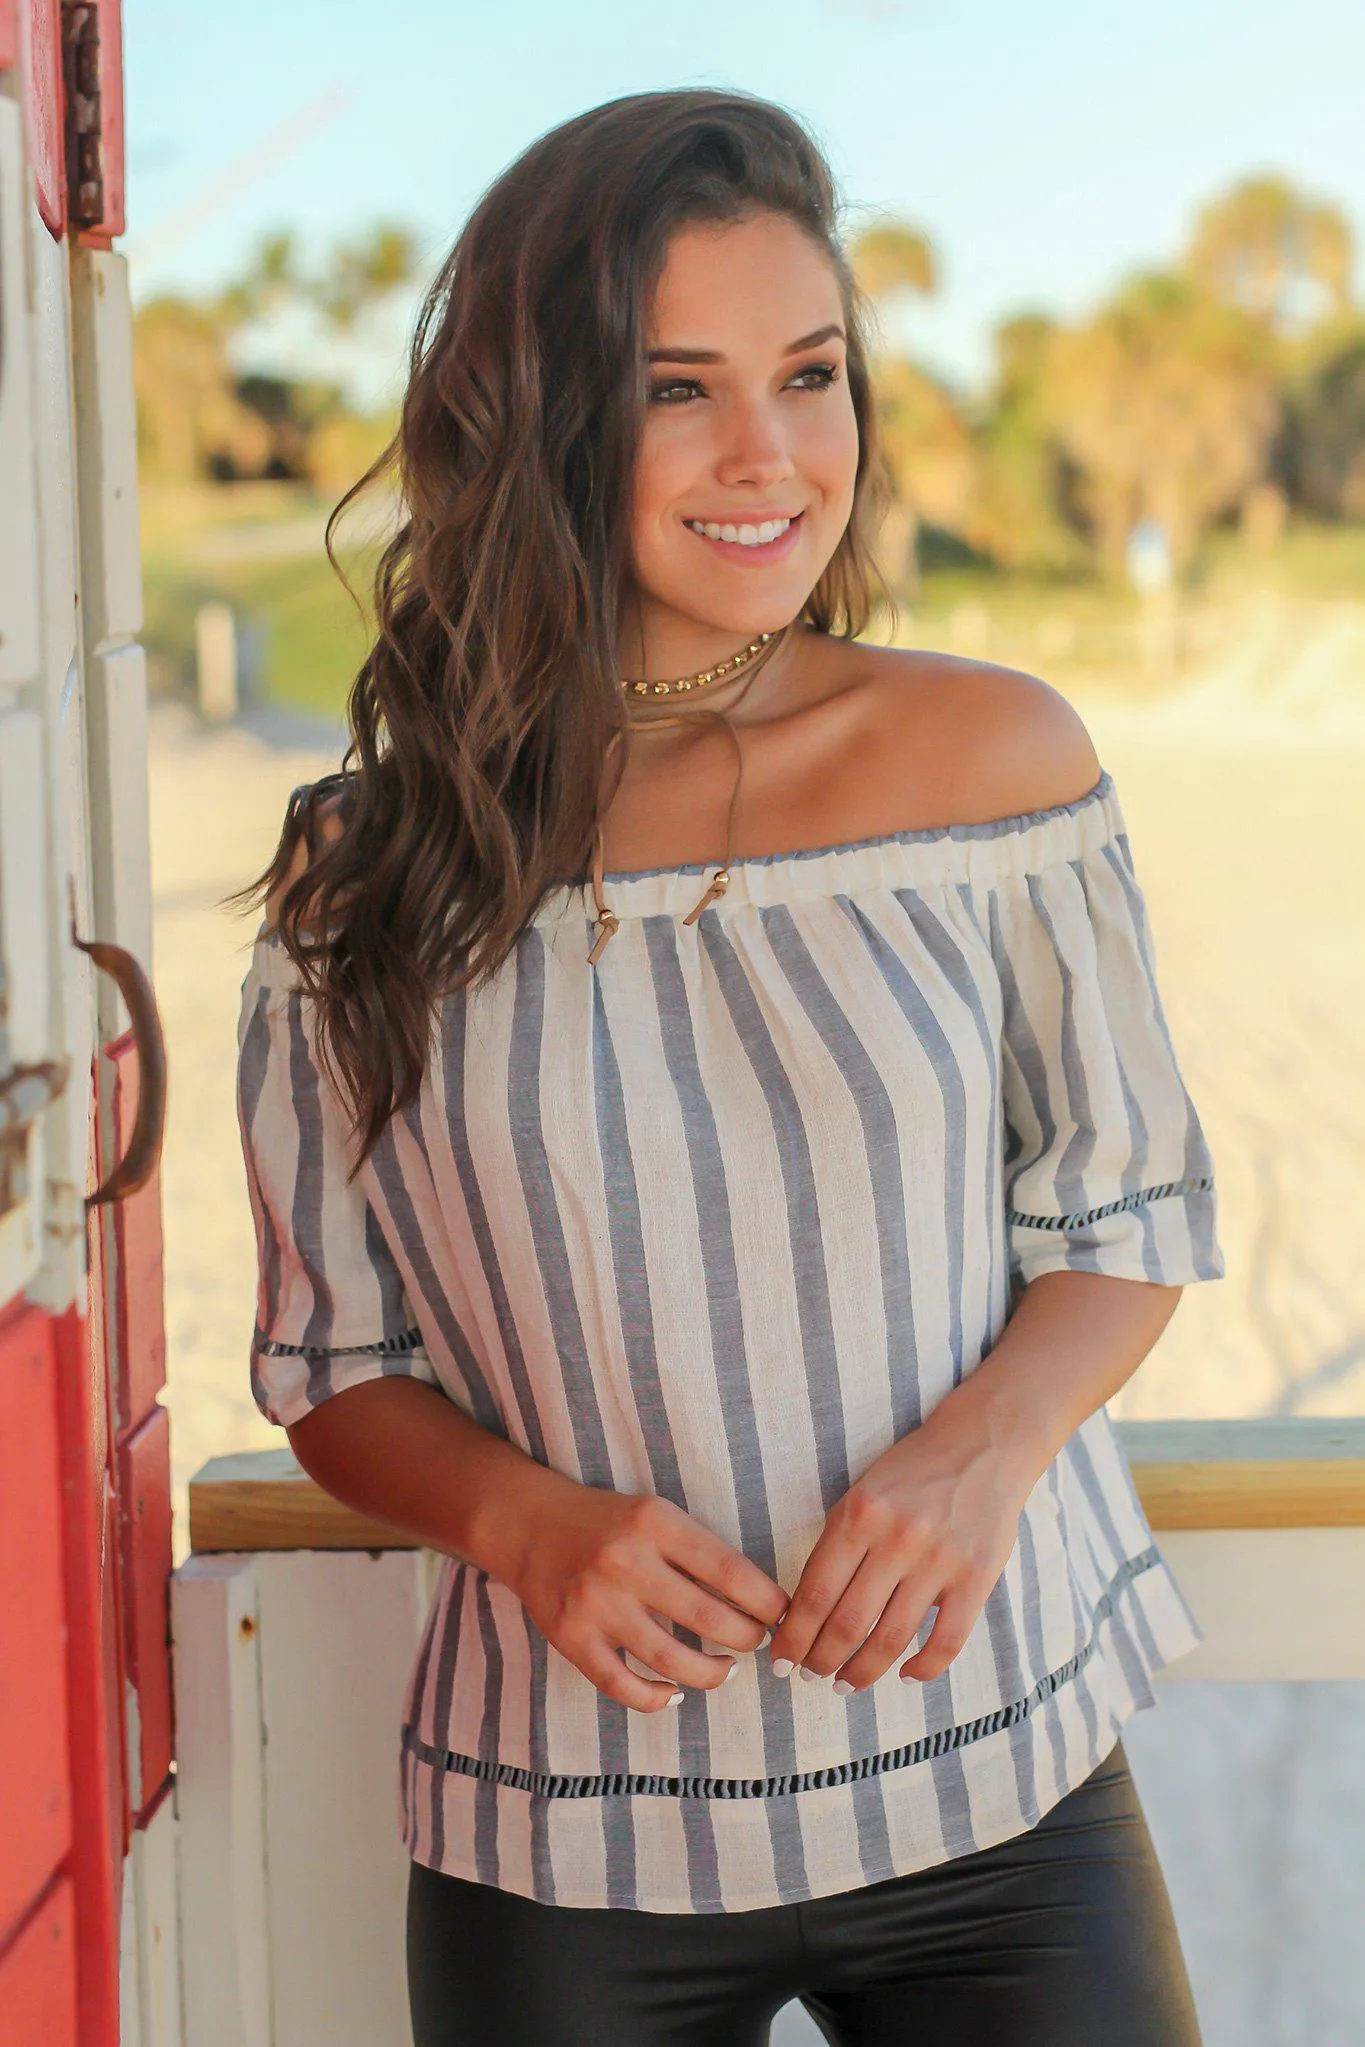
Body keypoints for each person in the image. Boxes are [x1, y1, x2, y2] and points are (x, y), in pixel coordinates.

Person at [230, 87, 1223, 2047]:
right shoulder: (370, 870)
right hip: (565, 1845)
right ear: (543, 413)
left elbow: (1128, 1205)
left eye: (812, 373)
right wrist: (526, 1521)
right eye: (678, 387)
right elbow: (335, 1374)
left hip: (999, 1790)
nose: (768, 455)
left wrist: (983, 1450)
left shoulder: (994, 760)